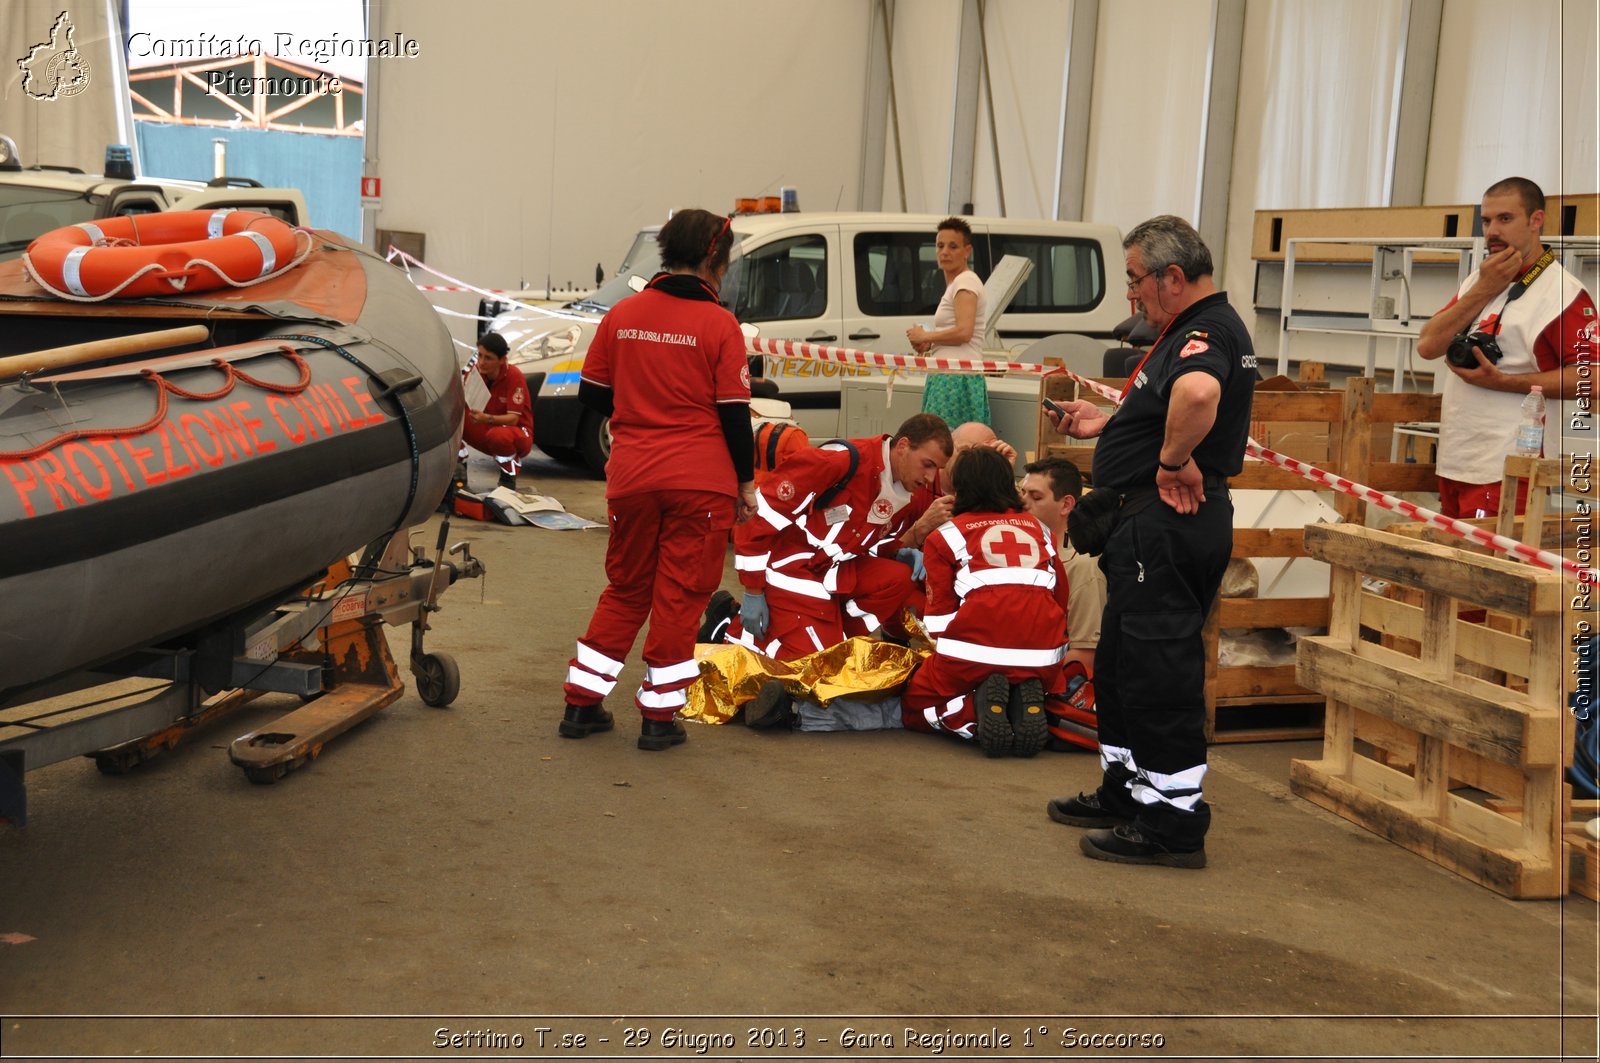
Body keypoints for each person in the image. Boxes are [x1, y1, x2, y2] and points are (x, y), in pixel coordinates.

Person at [1042, 215, 1254, 869]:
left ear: (1172, 276)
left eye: (1136, 280)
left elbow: (1196, 393)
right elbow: (1169, 400)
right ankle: (1128, 790)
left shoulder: (1205, 331)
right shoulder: (1186, 329)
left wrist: (1168, 461)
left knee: (1159, 670)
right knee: (1124, 665)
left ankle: (1172, 821)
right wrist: (1109, 423)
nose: (1131, 295)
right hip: (1146, 529)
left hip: (1167, 523)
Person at [559, 209, 759, 752]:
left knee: (626, 589)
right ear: (715, 259)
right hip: (701, 483)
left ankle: (582, 703)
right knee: (680, 596)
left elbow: (594, 396)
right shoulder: (721, 326)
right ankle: (658, 718)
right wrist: (746, 484)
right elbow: (735, 414)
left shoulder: (622, 314)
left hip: (632, 476)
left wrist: (646, 396)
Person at [1417, 177, 1596, 519]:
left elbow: (1593, 379)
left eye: (1505, 219)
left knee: (1491, 568)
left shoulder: (1562, 293)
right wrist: (1484, 289)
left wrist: (1503, 382)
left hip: (1512, 466)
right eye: (1486, 221)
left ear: (1536, 220)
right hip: (1458, 458)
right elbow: (1428, 346)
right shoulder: (1480, 280)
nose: (1492, 231)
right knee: (1451, 566)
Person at [727, 412, 952, 664]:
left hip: (829, 571)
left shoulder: (902, 490)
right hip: (791, 568)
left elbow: (859, 541)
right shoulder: (839, 462)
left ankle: (832, 632)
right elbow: (756, 518)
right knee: (816, 667)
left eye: (938, 469)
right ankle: (728, 625)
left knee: (898, 578)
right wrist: (753, 589)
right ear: (902, 446)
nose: (931, 478)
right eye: (928, 464)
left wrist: (896, 549)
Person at [901, 446, 1069, 757]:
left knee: (915, 705)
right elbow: (1060, 597)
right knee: (1014, 665)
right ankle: (1022, 699)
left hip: (974, 656)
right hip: (1043, 657)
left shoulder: (945, 536)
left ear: (961, 487)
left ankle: (974, 709)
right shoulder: (1043, 531)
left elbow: (937, 618)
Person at [1020, 456, 1106, 752]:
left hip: (1049, 685)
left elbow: (1084, 657)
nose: (1024, 504)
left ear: (1066, 505)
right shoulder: (1018, 555)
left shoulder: (1082, 568)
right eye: (1022, 494)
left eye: (1035, 497)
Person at [908, 217, 991, 427]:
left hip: (955, 377)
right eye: (940, 245)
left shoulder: (966, 282)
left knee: (943, 443)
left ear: (967, 251)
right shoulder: (957, 283)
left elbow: (964, 332)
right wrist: (930, 343)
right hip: (949, 374)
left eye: (953, 246)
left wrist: (926, 336)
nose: (944, 252)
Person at [460, 331, 535, 489]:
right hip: (486, 427)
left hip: (516, 432)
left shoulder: (514, 376)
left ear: (502, 360)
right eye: (480, 355)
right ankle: (458, 474)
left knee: (498, 436)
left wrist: (486, 418)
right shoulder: (476, 372)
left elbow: (513, 419)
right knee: (452, 420)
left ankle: (508, 477)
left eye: (488, 358)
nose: (482, 362)